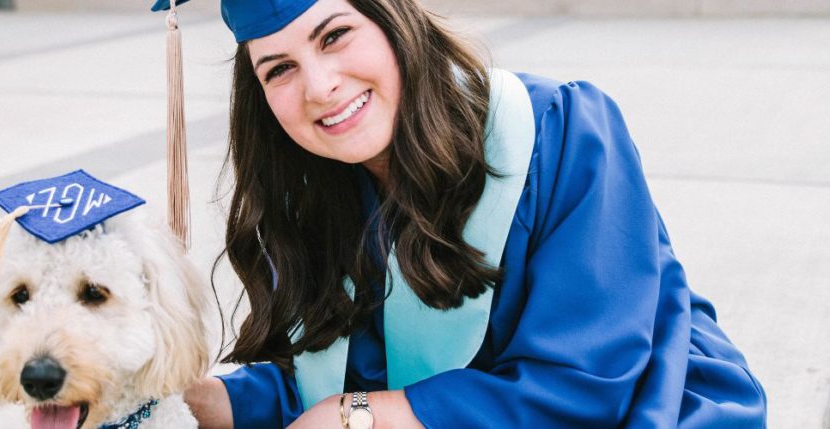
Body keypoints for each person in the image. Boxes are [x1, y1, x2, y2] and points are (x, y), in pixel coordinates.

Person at [152, 0, 769, 427]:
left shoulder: (558, 130)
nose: (319, 87)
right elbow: (332, 378)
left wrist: (356, 417)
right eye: (279, 69)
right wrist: (191, 403)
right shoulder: (316, 194)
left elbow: (587, 385)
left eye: (334, 35)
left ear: (393, 19)